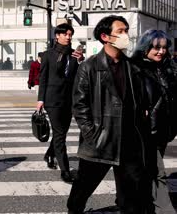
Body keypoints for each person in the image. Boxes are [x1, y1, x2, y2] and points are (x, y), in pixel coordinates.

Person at [67, 15, 154, 214]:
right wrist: (93, 134)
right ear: (105, 37)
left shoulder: (132, 67)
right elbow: (79, 106)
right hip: (100, 141)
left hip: (129, 142)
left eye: (126, 31)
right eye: (120, 31)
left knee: (130, 198)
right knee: (82, 190)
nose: (126, 35)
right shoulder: (89, 67)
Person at [131, 30, 177, 214]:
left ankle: (137, 201)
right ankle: (165, 210)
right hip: (143, 131)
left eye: (164, 48)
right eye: (156, 47)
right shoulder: (135, 69)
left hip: (163, 130)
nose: (161, 52)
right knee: (158, 173)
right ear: (146, 46)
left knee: (148, 171)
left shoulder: (169, 69)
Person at [37, 23, 84, 183]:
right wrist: (40, 99)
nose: (69, 37)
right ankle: (65, 171)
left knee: (60, 133)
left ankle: (49, 154)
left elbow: (78, 77)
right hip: (52, 100)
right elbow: (42, 79)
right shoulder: (47, 55)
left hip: (69, 100)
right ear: (57, 36)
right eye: (66, 34)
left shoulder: (75, 55)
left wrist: (81, 62)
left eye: (70, 34)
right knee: (60, 135)